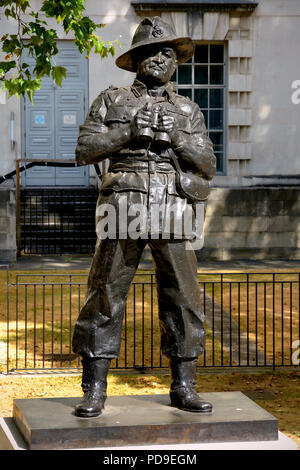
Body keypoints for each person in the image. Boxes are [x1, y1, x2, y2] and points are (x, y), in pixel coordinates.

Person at [72, 16, 216, 418]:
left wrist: (179, 138)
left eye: (166, 53)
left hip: (173, 205)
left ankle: (184, 385)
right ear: (135, 59)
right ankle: (95, 388)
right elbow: (84, 151)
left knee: (183, 298)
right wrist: (128, 132)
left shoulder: (188, 109)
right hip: (124, 206)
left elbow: (208, 164)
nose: (158, 58)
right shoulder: (111, 99)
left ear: (175, 64)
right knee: (105, 294)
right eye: (149, 52)